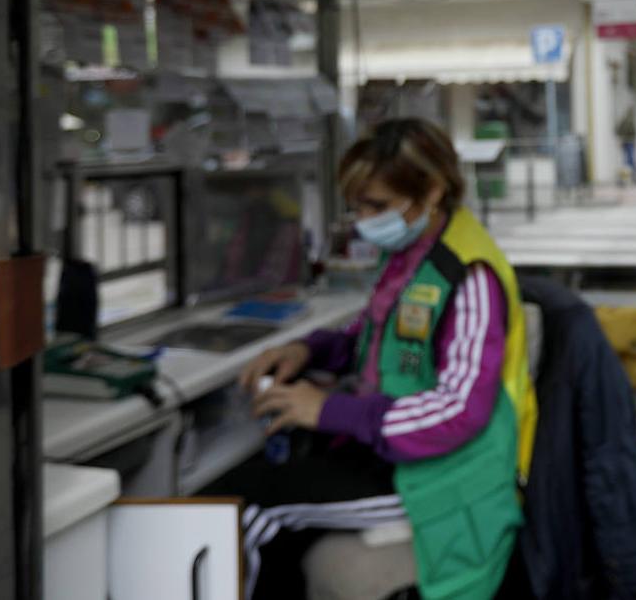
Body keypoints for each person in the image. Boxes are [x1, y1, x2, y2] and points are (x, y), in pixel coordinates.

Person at [218, 118, 537, 600]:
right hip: (391, 452)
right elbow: (375, 339)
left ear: (431, 191)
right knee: (255, 487)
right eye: (357, 206)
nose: (364, 219)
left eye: (378, 206)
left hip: (445, 476)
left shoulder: (469, 276)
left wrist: (329, 410)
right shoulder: (413, 256)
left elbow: (459, 409)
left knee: (253, 511)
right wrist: (310, 349)